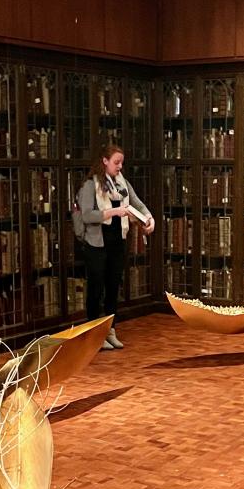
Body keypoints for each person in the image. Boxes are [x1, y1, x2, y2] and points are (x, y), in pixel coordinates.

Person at [77, 144, 154, 350]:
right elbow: (86, 215)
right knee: (96, 287)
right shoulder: (89, 185)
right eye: (116, 162)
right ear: (104, 161)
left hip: (117, 241)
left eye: (121, 163)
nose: (120, 166)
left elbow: (137, 203)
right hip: (97, 243)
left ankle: (110, 330)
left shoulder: (122, 184)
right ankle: (94, 333)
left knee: (113, 286)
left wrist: (149, 217)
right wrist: (113, 212)